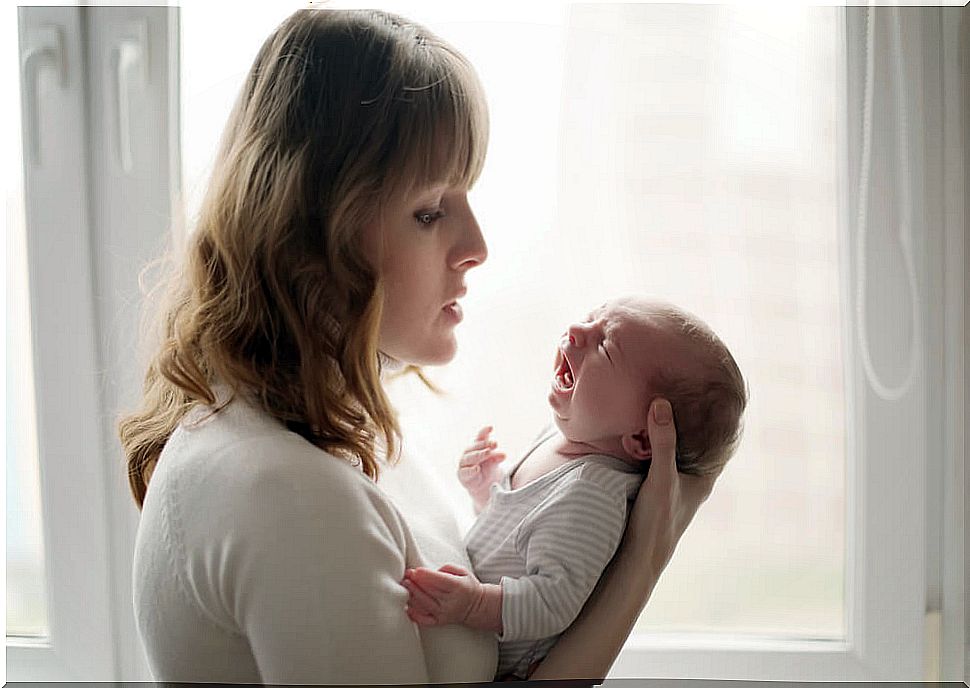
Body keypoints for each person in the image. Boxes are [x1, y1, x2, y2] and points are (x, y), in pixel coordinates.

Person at [118, 8, 721, 685]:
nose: (477, 247)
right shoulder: (290, 495)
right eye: (430, 211)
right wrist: (643, 563)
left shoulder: (338, 435)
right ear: (315, 235)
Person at [401, 296, 748, 680]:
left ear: (642, 439)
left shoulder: (593, 495)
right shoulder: (560, 441)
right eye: (591, 318)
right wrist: (487, 489)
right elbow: (521, 538)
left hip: (494, 664)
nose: (577, 331)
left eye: (605, 346)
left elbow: (552, 601)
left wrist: (474, 604)